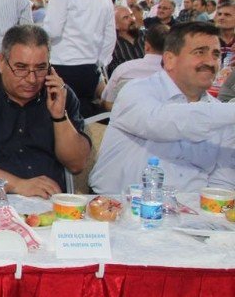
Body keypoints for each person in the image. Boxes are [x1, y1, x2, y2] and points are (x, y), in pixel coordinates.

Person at [90, 21, 235, 193]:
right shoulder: (136, 91)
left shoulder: (221, 115)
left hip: (192, 214)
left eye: (216, 54)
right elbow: (161, 123)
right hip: (117, 209)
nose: (211, 62)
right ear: (169, 59)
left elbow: (223, 184)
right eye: (199, 52)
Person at [0, 25, 91, 197]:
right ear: (1, 62)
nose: (32, 79)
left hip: (48, 199)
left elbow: (76, 164)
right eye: (21, 68)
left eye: (41, 68)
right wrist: (18, 185)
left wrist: (59, 117)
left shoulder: (59, 93)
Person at [43, 0, 116, 117]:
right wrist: (100, 62)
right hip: (90, 67)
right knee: (84, 117)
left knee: (59, 116)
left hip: (63, 65)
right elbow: (110, 35)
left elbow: (53, 31)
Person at [101, 24, 167, 110]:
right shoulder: (178, 73)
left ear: (146, 46)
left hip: (127, 120)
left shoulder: (124, 70)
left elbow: (106, 102)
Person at [108, 5, 145, 76]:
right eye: (125, 18)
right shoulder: (112, 45)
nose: (132, 19)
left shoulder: (147, 36)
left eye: (131, 15)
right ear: (116, 25)